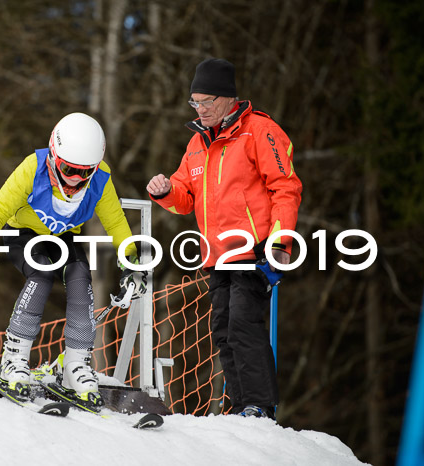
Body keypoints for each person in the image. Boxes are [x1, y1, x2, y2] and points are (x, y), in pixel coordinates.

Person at [147, 58, 302, 420]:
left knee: (243, 324)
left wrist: (280, 245)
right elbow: (184, 198)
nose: (199, 110)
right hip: (216, 255)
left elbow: (286, 188)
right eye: (194, 103)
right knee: (222, 330)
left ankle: (259, 405)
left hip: (255, 251)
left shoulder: (260, 131)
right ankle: (239, 406)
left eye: (206, 102)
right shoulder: (197, 144)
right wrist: (165, 190)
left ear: (228, 98)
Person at [0, 112, 147, 410]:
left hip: (63, 238)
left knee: (81, 278)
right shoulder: (33, 168)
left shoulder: (100, 179)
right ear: (53, 157)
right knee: (42, 276)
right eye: (69, 169)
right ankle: (14, 357)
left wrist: (132, 264)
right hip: (22, 233)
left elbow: (117, 224)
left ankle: (76, 363)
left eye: (85, 172)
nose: (75, 180)